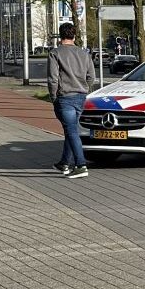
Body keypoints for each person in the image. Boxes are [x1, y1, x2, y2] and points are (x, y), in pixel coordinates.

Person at [47, 22, 94, 178]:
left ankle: (81, 165)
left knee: (71, 131)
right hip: (81, 96)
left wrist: (54, 97)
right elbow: (91, 77)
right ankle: (64, 163)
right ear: (74, 36)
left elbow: (53, 79)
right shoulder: (85, 54)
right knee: (71, 130)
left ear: (60, 36)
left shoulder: (55, 53)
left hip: (65, 97)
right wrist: (86, 90)